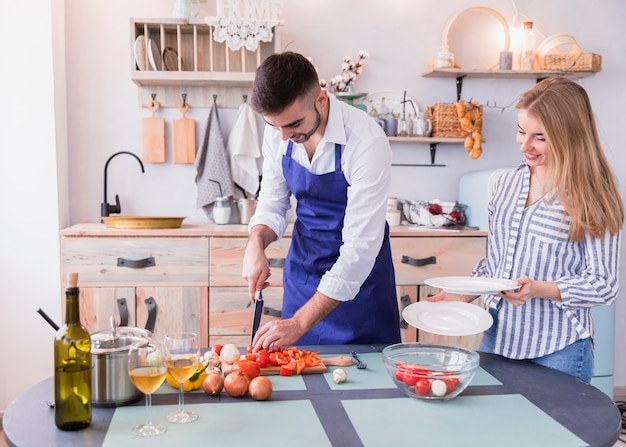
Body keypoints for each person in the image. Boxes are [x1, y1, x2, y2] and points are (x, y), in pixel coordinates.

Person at [429, 77, 623, 383]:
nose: (525, 145)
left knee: (557, 433)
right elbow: (496, 265)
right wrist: (462, 294)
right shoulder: (505, 184)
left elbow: (603, 284)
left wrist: (539, 289)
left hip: (559, 347)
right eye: (521, 131)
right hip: (498, 337)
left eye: (540, 137)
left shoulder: (593, 194)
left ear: (570, 135)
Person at [242, 51, 401, 350]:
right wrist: (255, 243)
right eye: (275, 127)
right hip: (303, 278)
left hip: (360, 291)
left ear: (322, 99)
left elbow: (359, 251)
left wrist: (300, 323)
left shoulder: (366, 142)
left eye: (293, 124)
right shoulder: (279, 132)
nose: (283, 137)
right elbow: (273, 203)